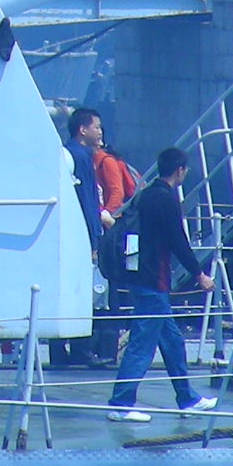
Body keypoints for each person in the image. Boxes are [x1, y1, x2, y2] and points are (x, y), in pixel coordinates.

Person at [106, 148, 218, 422]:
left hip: (140, 277)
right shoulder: (167, 200)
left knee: (172, 341)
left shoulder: (145, 195)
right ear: (180, 170)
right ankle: (121, 403)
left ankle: (187, 398)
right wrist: (199, 274)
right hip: (153, 281)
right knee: (142, 344)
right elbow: (178, 241)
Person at [55, 108, 105, 370]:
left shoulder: (65, 152)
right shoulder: (82, 156)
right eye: (96, 127)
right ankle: (82, 350)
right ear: (83, 130)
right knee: (83, 294)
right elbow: (87, 200)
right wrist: (94, 239)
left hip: (64, 234)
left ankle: (57, 350)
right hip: (82, 234)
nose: (100, 131)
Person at [91, 140, 140, 365]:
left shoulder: (106, 162)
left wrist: (105, 215)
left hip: (112, 227)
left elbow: (117, 192)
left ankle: (107, 348)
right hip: (110, 227)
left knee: (109, 291)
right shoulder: (97, 161)